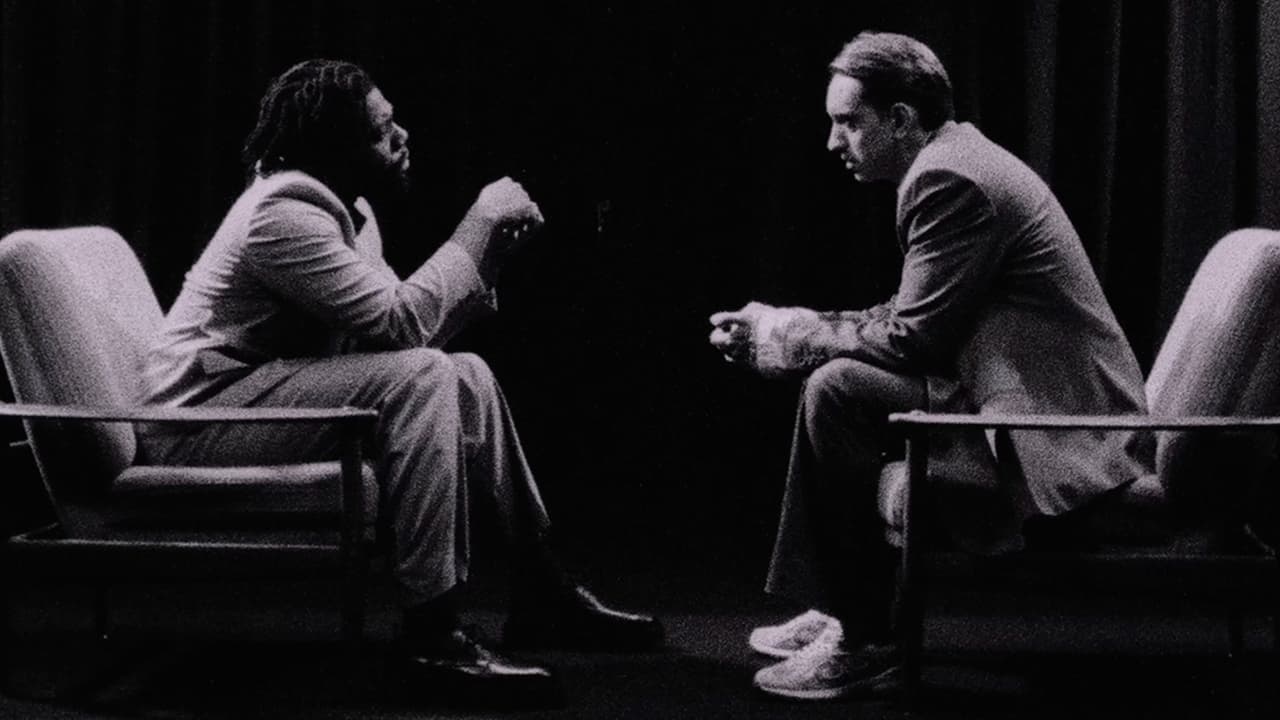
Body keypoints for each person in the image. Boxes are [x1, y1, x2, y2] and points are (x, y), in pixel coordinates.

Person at [138, 59, 662, 700]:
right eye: (381, 130)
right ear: (335, 148)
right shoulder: (281, 213)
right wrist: (477, 225)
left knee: (464, 374)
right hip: (198, 421)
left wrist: (490, 255)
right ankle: (430, 633)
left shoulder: (347, 212)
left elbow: (405, 341)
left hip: (256, 395)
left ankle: (539, 588)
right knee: (424, 375)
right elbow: (404, 327)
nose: (402, 136)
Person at [709, 31, 1152, 701]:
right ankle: (844, 607)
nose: (832, 143)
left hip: (1058, 425)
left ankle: (866, 639)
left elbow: (913, 339)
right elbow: (910, 315)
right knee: (840, 383)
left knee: (838, 388)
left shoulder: (950, 178)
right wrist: (789, 327)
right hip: (1005, 391)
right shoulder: (953, 160)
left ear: (900, 119)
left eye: (847, 122)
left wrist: (787, 335)